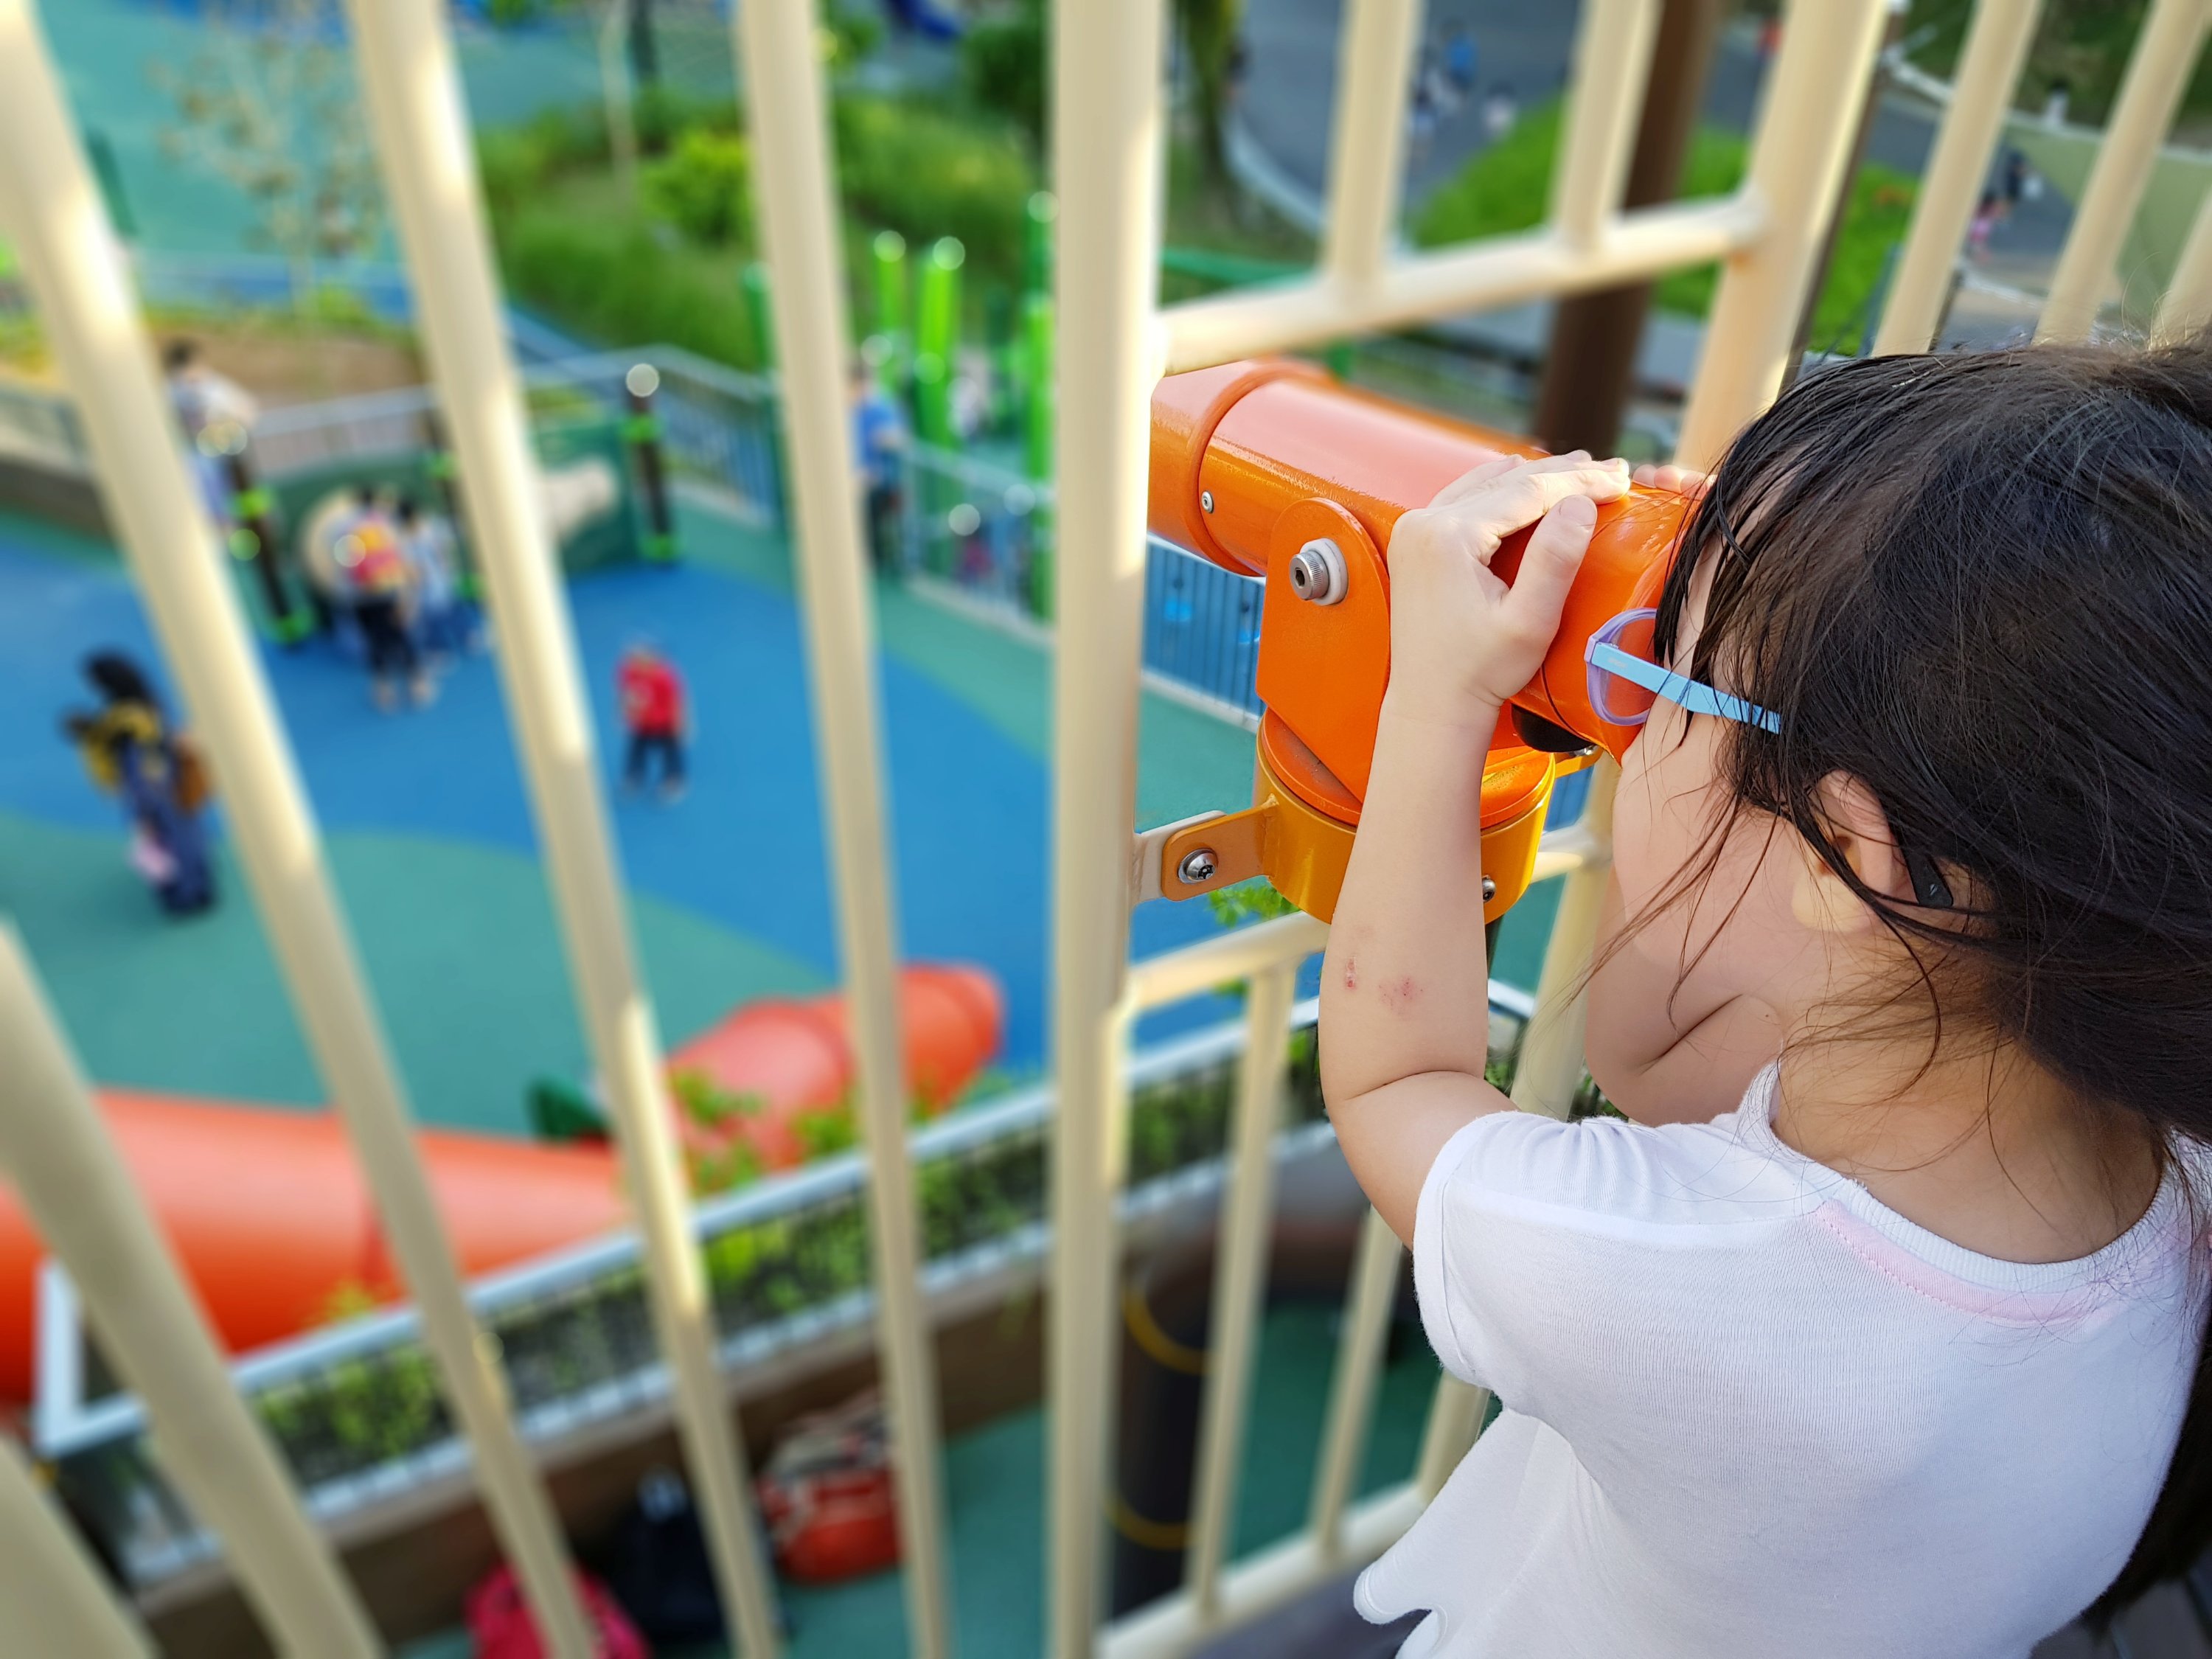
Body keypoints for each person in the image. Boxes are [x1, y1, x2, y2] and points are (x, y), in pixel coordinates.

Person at [1321, 339, 2212, 1656]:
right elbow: (1652, 1068)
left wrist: (1438, 697)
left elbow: (1398, 1083)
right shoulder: (2155, 1108)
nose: (1625, 723)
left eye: (1659, 676)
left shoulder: (1667, 1287)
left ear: (1856, 860)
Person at [62, 652, 215, 916]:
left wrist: (144, 809)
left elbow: (138, 770)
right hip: (172, 779)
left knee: (168, 843)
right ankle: (200, 884)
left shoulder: (124, 726)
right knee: (188, 835)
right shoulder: (146, 702)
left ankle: (186, 895)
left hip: (155, 792)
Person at [340, 488, 432, 712]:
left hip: (362, 598)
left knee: (375, 642)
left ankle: (385, 689)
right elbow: (400, 560)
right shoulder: (385, 527)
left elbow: (342, 569)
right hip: (385, 594)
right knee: (399, 637)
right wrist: (407, 592)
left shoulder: (344, 528)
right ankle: (415, 683)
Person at [162, 338, 258, 524]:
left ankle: (249, 526)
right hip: (195, 459)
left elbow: (247, 409)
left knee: (244, 499)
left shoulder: (213, 385)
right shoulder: (170, 391)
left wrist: (228, 423)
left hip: (229, 455)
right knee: (211, 503)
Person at [394, 495, 476, 663]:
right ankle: (444, 647)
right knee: (437, 616)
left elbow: (440, 551)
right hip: (431, 582)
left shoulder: (424, 531)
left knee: (446, 612)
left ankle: (461, 640)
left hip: (436, 580)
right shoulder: (414, 535)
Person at [850, 359, 907, 576]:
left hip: (879, 479)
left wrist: (886, 439)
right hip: (857, 474)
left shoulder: (882, 407)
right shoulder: (852, 407)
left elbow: (899, 438)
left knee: (870, 509)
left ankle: (875, 559)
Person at [618, 641, 688, 803]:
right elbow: (626, 693)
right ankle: (633, 777)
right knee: (636, 752)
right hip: (642, 723)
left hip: (664, 725)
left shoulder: (664, 678)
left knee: (670, 753)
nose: (639, 662)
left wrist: (679, 724)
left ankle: (674, 780)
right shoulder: (628, 672)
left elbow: (676, 702)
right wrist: (624, 712)